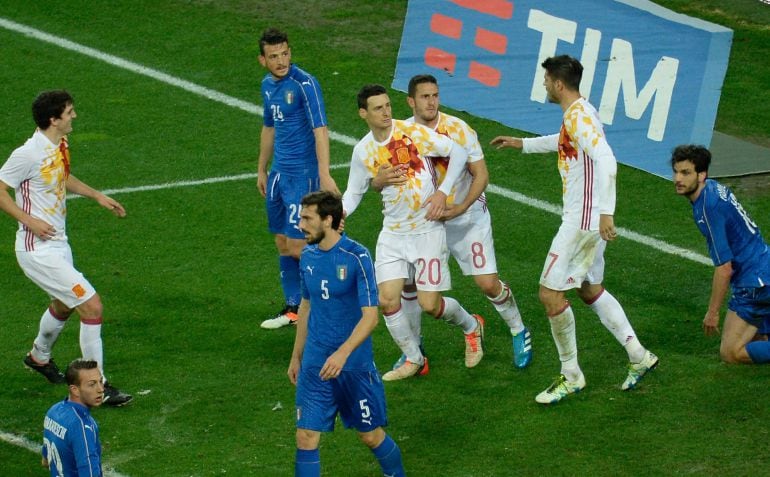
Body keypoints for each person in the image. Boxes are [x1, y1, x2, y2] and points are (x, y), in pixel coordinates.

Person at [491, 55, 658, 403]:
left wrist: (606, 213)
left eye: (546, 81)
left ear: (558, 84)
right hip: (589, 217)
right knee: (590, 289)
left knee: (550, 295)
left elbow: (607, 159)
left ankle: (571, 376)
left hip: (583, 220)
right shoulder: (579, 113)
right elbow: (564, 141)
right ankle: (639, 355)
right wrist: (521, 144)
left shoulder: (580, 116)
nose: (544, 86)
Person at [372, 74, 533, 370]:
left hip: (467, 218)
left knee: (487, 284)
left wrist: (459, 208)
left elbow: (481, 175)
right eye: (424, 96)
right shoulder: (402, 136)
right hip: (427, 224)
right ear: (410, 101)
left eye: (435, 95)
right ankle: (415, 347)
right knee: (409, 284)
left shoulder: (458, 129)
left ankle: (518, 329)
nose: (431, 102)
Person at [342, 84, 484, 381]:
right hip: (393, 234)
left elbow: (458, 153)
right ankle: (414, 358)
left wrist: (443, 193)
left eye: (387, 106)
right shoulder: (363, 151)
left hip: (426, 231)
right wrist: (338, 215)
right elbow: (353, 193)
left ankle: (472, 326)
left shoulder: (412, 133)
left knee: (430, 305)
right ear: (363, 113)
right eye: (378, 108)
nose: (386, 112)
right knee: (387, 299)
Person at [0, 90, 132, 406]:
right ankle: (97, 385)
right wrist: (28, 220)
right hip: (37, 249)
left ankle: (39, 357)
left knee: (64, 304)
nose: (74, 116)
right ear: (54, 119)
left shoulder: (58, 144)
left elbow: (62, 177)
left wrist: (97, 195)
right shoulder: (27, 153)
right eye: (69, 112)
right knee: (92, 305)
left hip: (58, 243)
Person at [287, 191, 406, 477]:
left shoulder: (357, 257)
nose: (300, 225)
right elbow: (306, 305)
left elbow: (370, 317)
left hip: (353, 365)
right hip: (316, 361)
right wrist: (296, 356)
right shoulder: (307, 256)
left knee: (370, 436)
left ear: (328, 220)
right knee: (305, 437)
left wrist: (342, 354)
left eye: (307, 218)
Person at [257, 27, 340, 330]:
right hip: (280, 175)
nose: (281, 61)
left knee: (298, 246)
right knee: (282, 243)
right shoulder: (267, 85)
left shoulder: (305, 84)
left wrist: (324, 172)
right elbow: (269, 128)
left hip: (303, 176)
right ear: (262, 60)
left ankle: (325, 301)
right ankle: (293, 309)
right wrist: (262, 168)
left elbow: (320, 129)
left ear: (291, 52)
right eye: (273, 56)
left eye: (284, 53)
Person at [671, 144, 770, 364]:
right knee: (759, 338)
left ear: (701, 175)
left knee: (731, 352)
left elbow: (724, 268)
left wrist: (713, 313)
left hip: (754, 284)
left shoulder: (708, 207)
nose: (678, 178)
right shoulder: (713, 188)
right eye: (676, 171)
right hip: (764, 263)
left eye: (685, 173)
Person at [42, 359, 104, 476]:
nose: (100, 389)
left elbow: (45, 461)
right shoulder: (83, 426)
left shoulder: (53, 411)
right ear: (75, 390)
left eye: (100, 381)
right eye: (92, 384)